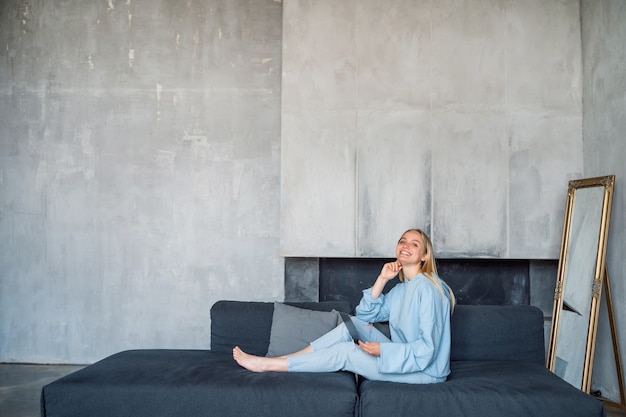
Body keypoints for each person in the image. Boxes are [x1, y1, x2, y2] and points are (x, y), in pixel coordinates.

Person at [233, 228, 456, 384]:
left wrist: (384, 350)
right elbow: (364, 315)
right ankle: (287, 359)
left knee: (346, 353)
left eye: (414, 244)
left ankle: (268, 365)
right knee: (353, 325)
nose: (405, 246)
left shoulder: (429, 289)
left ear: (425, 255)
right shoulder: (401, 289)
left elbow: (428, 348)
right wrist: (382, 279)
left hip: (426, 371)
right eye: (402, 241)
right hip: (404, 358)